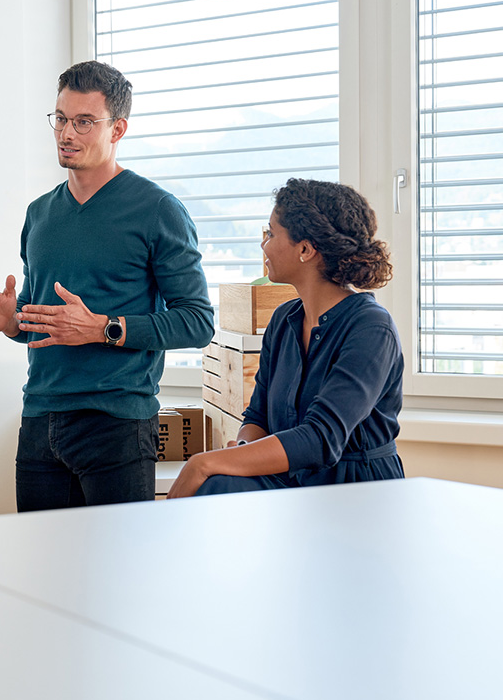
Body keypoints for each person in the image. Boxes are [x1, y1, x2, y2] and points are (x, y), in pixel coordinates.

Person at [0, 61, 214, 512]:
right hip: (39, 419)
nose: (67, 133)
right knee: (39, 558)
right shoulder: (39, 214)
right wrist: (12, 322)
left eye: (84, 122)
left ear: (117, 128)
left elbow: (198, 322)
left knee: (119, 558)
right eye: (61, 118)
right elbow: (45, 322)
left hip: (117, 424)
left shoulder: (158, 210)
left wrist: (104, 328)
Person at [168, 178, 404, 498]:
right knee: (219, 484)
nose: (264, 245)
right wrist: (241, 449)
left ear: (305, 249)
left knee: (208, 474)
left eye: (271, 233)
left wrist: (203, 463)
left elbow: (321, 439)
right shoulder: (284, 320)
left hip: (354, 493)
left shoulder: (371, 328)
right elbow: (258, 417)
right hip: (292, 483)